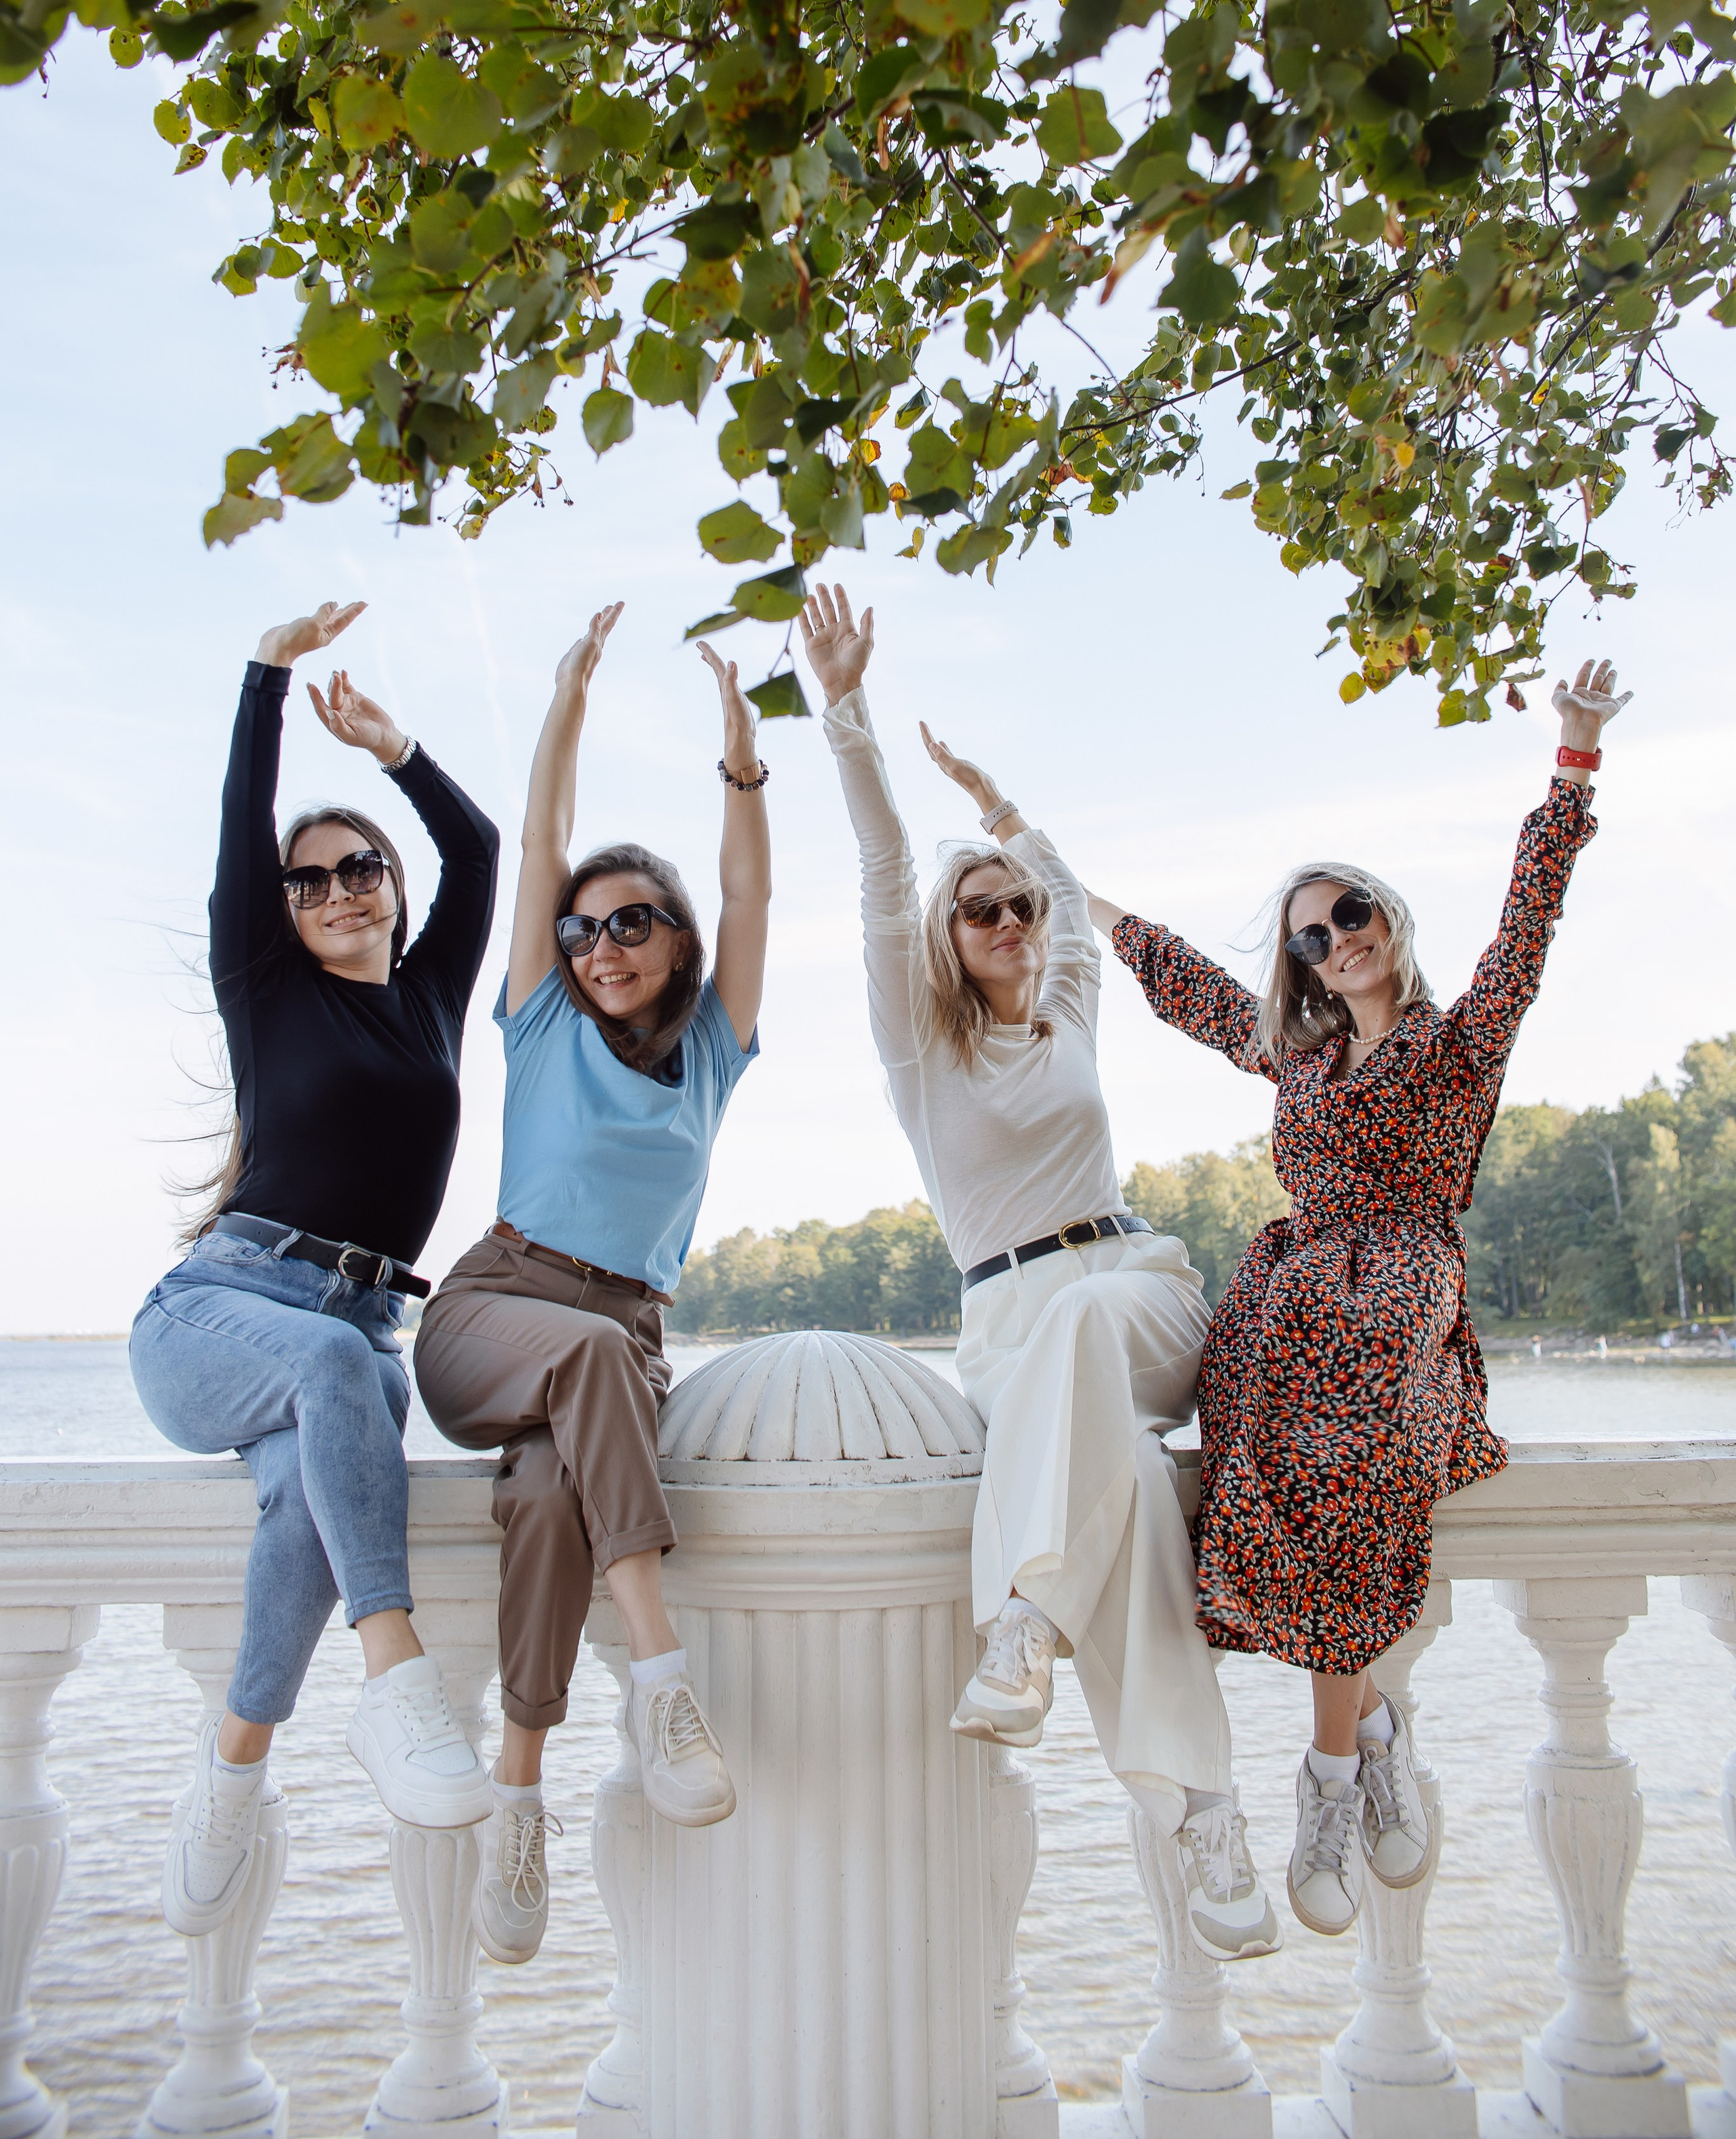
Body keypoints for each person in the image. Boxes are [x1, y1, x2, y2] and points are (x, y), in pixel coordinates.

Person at [1099, 659, 1630, 1935]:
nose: (1333, 941)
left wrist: (1572, 755)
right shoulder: (1298, 1052)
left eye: (1345, 915)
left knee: (1362, 1451)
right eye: (1309, 937)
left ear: (1385, 916)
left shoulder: (1459, 1043)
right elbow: (1186, 986)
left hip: (1398, 1298)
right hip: (1292, 1303)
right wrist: (1068, 886)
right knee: (1268, 1456)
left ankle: (1330, 1774)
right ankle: (1373, 1728)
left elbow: (1529, 926)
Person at [797, 583, 1280, 1963]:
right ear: (947, 947)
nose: (1009, 922)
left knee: (1086, 1318)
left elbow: (1068, 887)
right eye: (982, 915)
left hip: (1134, 1291)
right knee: (1123, 1483)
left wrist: (997, 799)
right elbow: (885, 867)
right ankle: (1202, 1808)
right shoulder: (918, 1048)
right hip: (1010, 1334)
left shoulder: (1067, 1008)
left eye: (1015, 907)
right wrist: (847, 716)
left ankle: (1020, 1617)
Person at [131, 600, 502, 1939]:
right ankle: (395, 1685)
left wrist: (398, 749)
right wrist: (267, 679)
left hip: (355, 1336)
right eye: (313, 879)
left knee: (304, 1515)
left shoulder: (428, 999)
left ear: (391, 892)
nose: (341, 890)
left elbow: (480, 846)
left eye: (363, 871)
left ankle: (231, 1774)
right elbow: (242, 824)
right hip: (218, 1315)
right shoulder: (266, 987)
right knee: (339, 1364)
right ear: (277, 913)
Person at [415, 604, 769, 1965]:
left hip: (620, 1338)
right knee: (585, 1362)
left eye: (633, 922)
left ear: (673, 940)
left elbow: (751, 897)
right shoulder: (543, 1017)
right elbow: (537, 843)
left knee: (547, 1493)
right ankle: (662, 1679)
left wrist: (740, 768)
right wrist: (565, 694)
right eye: (582, 927)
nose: (602, 942)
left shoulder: (712, 1054)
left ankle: (519, 1794)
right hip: (490, 1313)